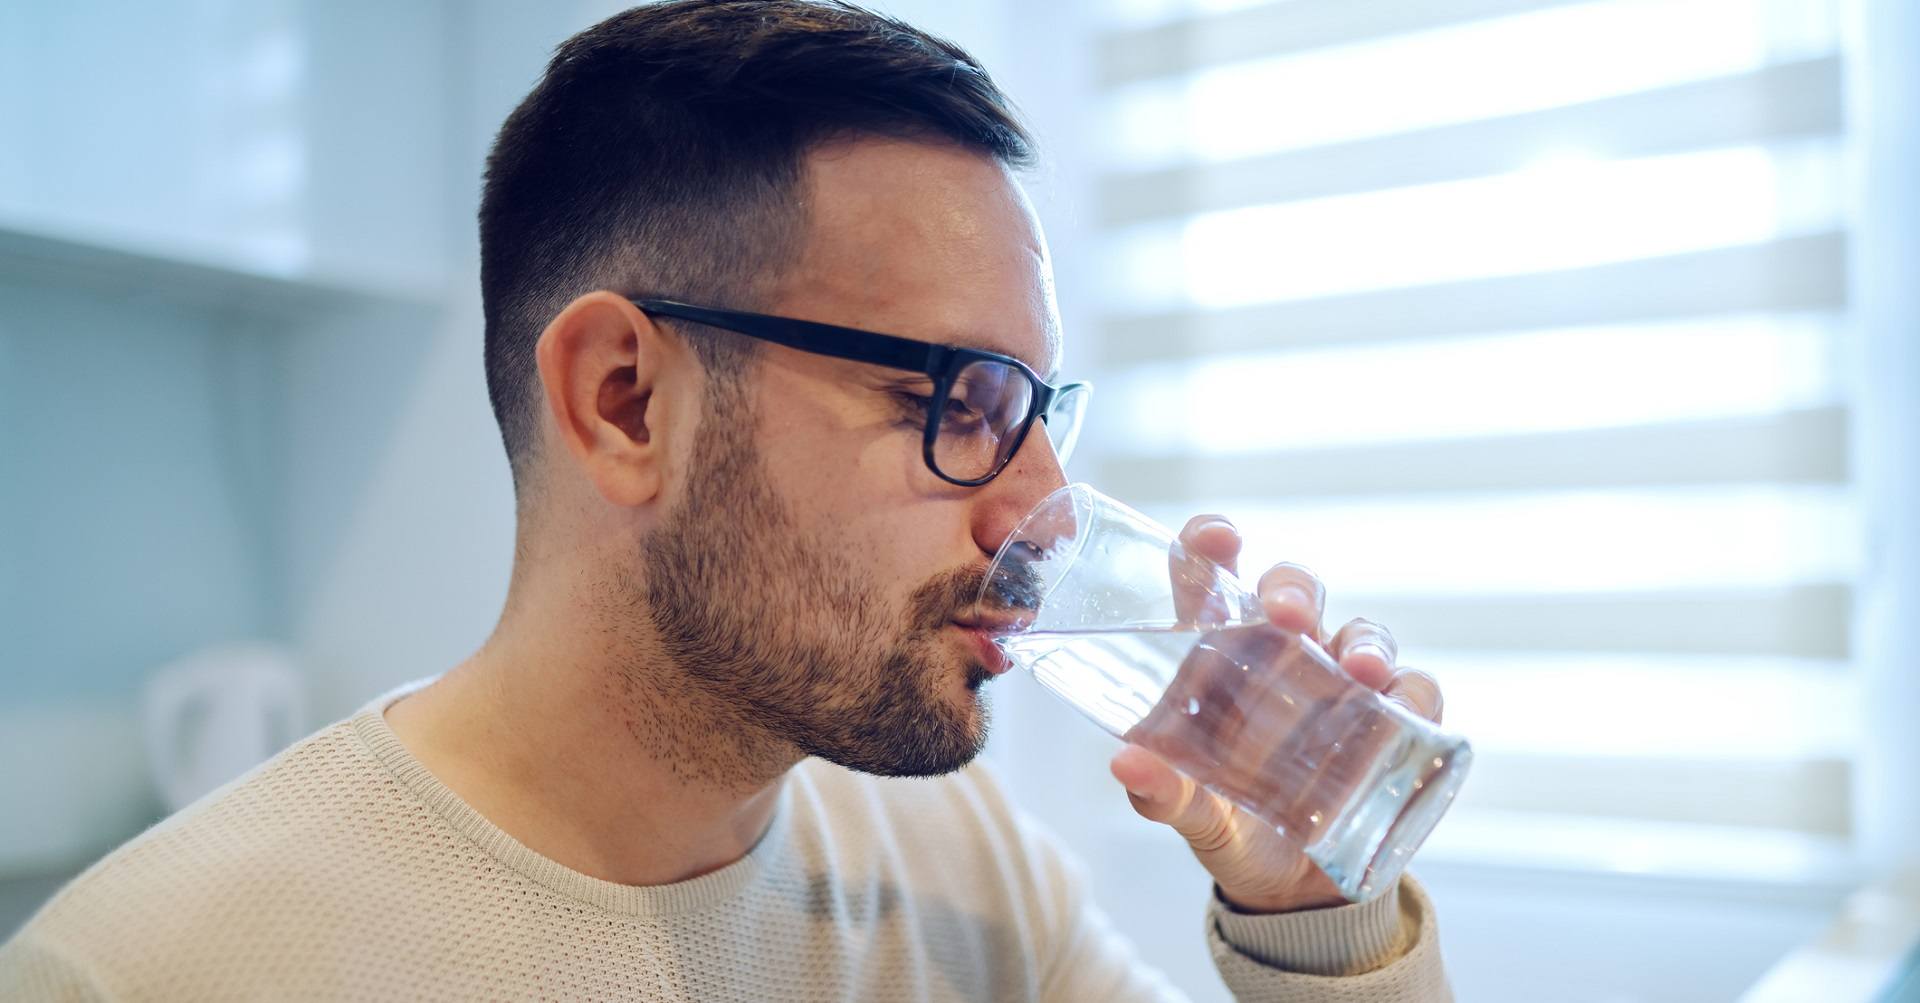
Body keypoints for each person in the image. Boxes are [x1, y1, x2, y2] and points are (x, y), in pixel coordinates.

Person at [0, 2, 1452, 999]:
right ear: (625, 399)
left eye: (1036, 413)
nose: (1044, 516)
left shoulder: (965, 880)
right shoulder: (152, 971)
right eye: (956, 404)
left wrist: (1308, 920)